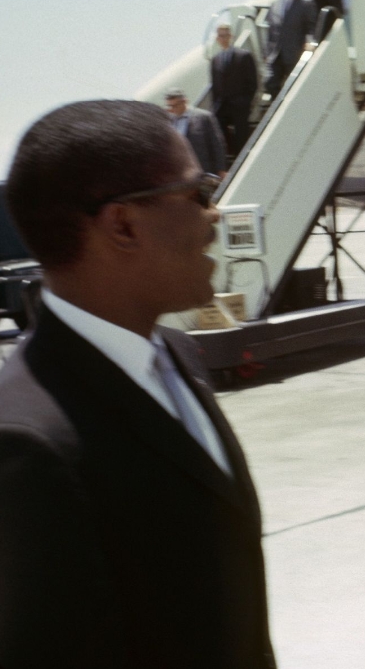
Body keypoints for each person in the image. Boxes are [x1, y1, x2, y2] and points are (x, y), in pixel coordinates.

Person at [0, 99, 276, 668]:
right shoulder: (30, 443)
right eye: (198, 191)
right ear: (123, 224)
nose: (214, 214)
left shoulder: (175, 354)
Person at [263, 0, 318, 99]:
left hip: (295, 49)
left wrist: (310, 41)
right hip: (276, 52)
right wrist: (266, 52)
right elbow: (271, 30)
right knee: (271, 82)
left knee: (296, 82)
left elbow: (311, 26)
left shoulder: (305, 3)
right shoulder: (275, 4)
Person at [209, 23, 258, 156]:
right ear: (217, 39)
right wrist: (215, 105)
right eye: (220, 36)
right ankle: (227, 156)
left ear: (231, 36)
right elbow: (214, 85)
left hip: (239, 103)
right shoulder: (215, 59)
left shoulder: (244, 56)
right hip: (222, 105)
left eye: (225, 35)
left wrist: (246, 100)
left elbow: (252, 81)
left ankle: (242, 157)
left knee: (241, 133)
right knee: (220, 132)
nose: (223, 38)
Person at [164, 87, 226, 176]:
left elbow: (217, 144)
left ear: (185, 101)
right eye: (170, 106)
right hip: (180, 173)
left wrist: (221, 169)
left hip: (203, 170)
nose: (173, 109)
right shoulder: (168, 121)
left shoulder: (204, 117)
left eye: (176, 105)